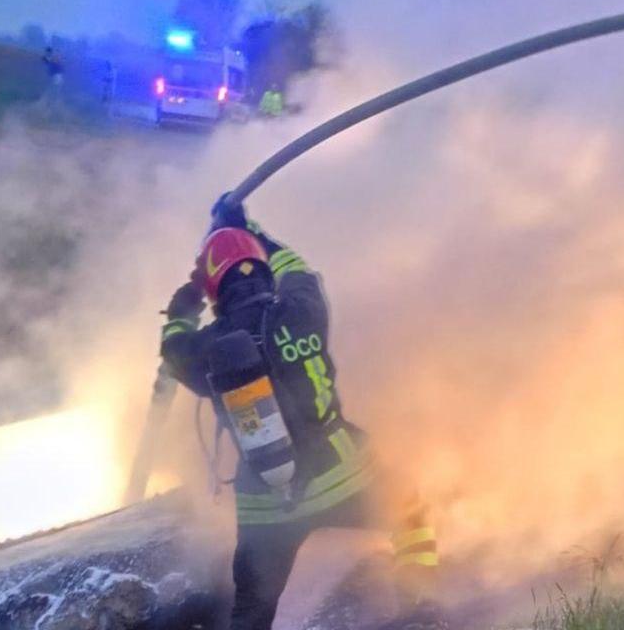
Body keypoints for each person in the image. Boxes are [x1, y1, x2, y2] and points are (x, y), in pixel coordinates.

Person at [159, 198, 443, 630]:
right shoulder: (302, 308)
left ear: (217, 289)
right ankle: (420, 607)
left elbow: (173, 350)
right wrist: (251, 227)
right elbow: (298, 267)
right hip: (342, 475)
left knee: (250, 613)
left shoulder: (209, 348)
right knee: (407, 510)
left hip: (266, 506)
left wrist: (185, 307)